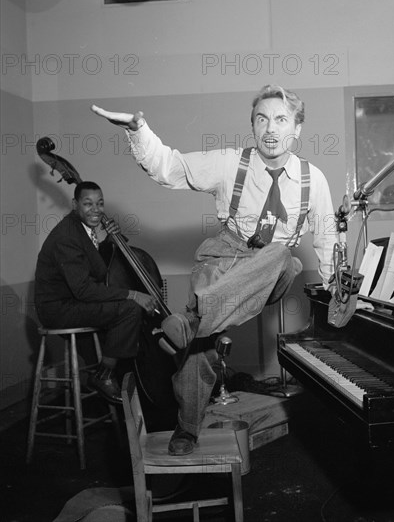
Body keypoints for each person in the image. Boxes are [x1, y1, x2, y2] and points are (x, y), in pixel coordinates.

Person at [91, 84, 339, 454]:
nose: (270, 129)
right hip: (223, 257)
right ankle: (187, 428)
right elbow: (171, 168)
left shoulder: (313, 179)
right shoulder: (229, 163)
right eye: (262, 119)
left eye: (281, 120)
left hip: (272, 267)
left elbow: (327, 239)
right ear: (253, 126)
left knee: (284, 256)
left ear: (297, 128)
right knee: (201, 346)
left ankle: (191, 321)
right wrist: (137, 129)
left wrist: (338, 294)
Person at [35, 181, 157, 404]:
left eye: (100, 203)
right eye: (88, 203)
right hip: (59, 309)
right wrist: (132, 294)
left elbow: (100, 271)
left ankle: (120, 382)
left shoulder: (84, 231)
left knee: (125, 318)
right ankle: (105, 375)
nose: (96, 209)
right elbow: (83, 289)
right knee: (129, 309)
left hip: (74, 303)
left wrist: (112, 241)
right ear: (75, 204)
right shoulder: (67, 235)